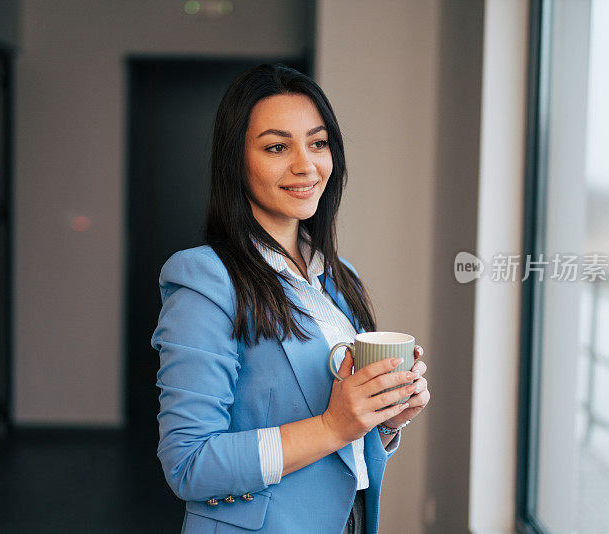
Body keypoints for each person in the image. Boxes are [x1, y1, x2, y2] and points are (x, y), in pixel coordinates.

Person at [151, 64, 430, 534]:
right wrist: (332, 427)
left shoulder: (339, 278)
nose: (306, 165)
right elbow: (188, 463)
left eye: (318, 143)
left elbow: (344, 437)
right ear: (236, 161)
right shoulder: (205, 279)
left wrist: (382, 418)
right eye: (277, 147)